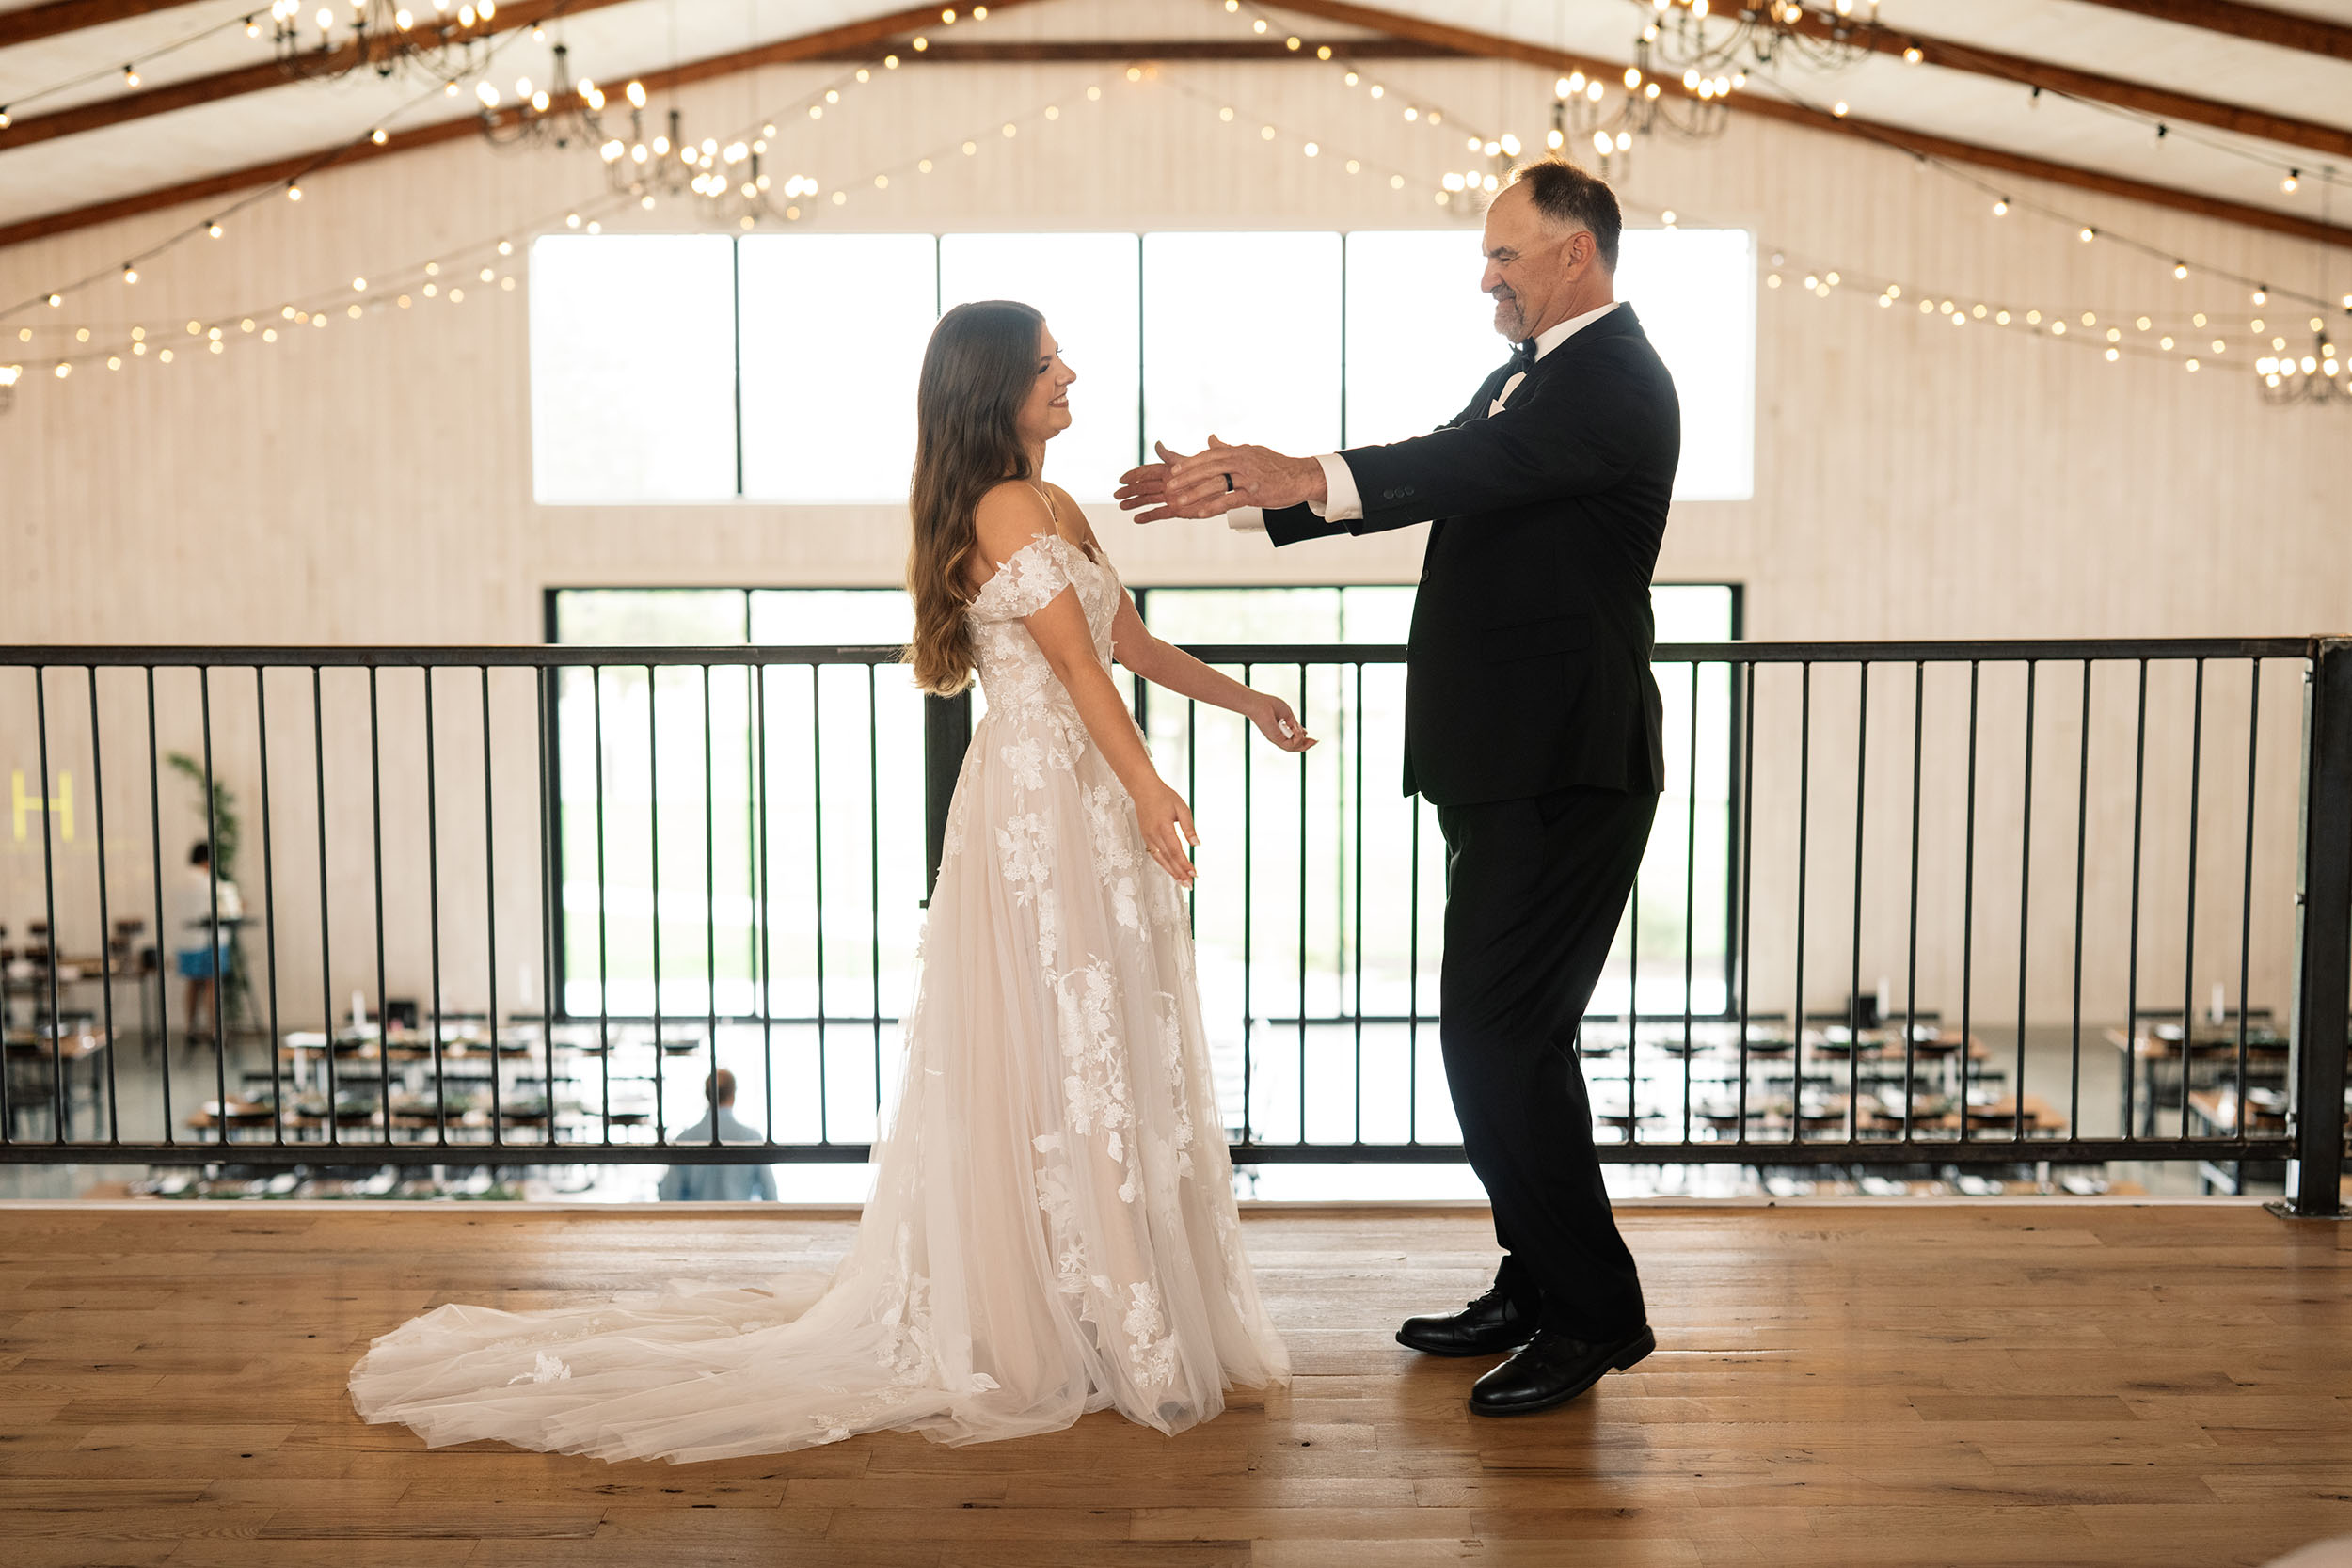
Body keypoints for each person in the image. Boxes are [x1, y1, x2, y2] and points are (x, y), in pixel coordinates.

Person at [350, 299, 1305, 1463]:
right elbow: (1069, 666)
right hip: (1041, 807)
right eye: (1049, 363)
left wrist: (1244, 699)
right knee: (1060, 1039)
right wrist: (1150, 783)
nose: (1071, 374)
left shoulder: (1052, 503)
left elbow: (1131, 649)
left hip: (1086, 799)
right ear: (993, 387)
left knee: (1091, 1042)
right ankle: (1075, 1312)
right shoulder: (1003, 506)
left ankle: (1098, 1301)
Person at [1116, 159, 1680, 1418]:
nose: (1488, 276)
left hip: (1565, 767)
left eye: (1507, 257)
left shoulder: (1616, 379)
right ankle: (1537, 1281)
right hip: (1511, 764)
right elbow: (1450, 471)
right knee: (1519, 1039)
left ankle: (1593, 1311)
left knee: (1492, 1037)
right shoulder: (1537, 373)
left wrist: (1294, 467)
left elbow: (1465, 471)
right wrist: (1264, 498)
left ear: (1575, 254)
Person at [656, 1070, 778, 1202]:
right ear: (733, 1095)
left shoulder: (684, 1140)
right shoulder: (751, 1138)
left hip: (698, 1220)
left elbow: (670, 1195)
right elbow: (769, 1193)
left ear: (707, 1095)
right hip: (740, 1220)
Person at [168, 840, 242, 1044]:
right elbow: (223, 909)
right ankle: (215, 1031)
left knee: (192, 984)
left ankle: (189, 1029)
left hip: (185, 942)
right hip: (209, 940)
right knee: (211, 985)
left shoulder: (179, 881)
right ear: (207, 860)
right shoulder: (210, 882)